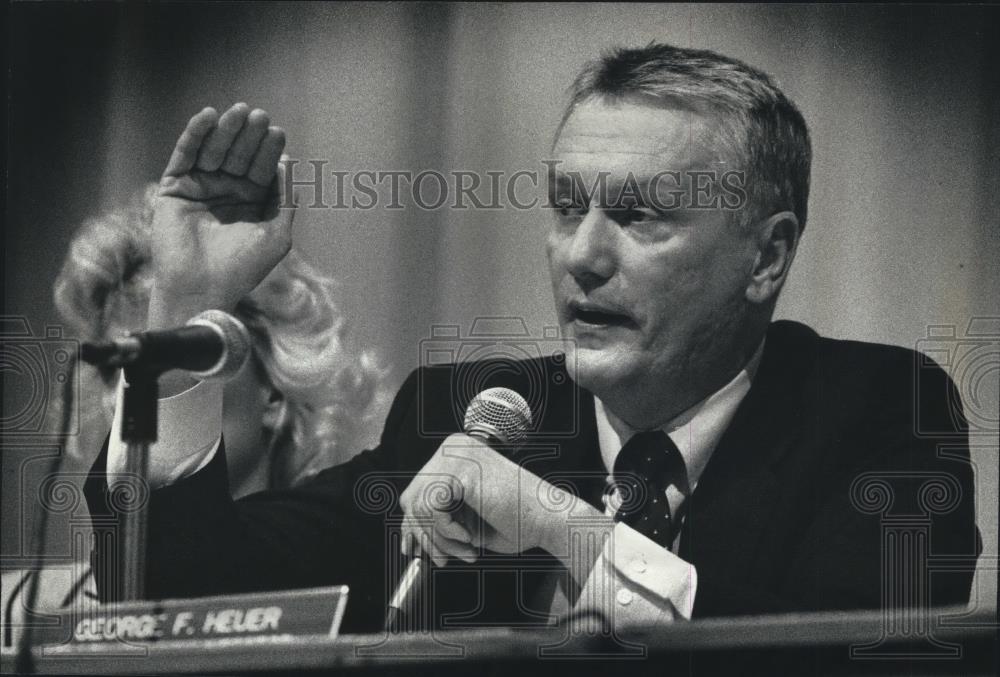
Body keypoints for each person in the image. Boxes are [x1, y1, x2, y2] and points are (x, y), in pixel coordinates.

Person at [83, 43, 980, 635]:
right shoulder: (467, 414)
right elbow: (175, 603)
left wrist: (560, 527)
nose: (583, 256)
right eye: (565, 207)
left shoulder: (876, 412)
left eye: (638, 216)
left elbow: (861, 650)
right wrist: (188, 307)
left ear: (767, 254)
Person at [2, 151, 387, 649]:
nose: (151, 380)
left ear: (273, 388)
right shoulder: (22, 611)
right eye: (127, 362)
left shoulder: (373, 582)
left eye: (187, 348)